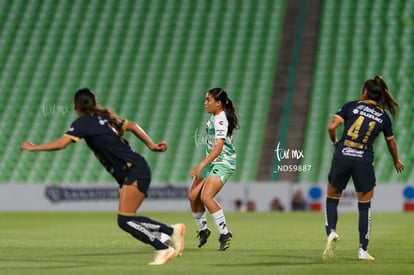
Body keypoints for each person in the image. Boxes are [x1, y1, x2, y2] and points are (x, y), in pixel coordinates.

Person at [20, 88, 185, 265]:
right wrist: (151, 145)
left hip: (134, 170)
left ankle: (162, 248)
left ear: (76, 106)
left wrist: (33, 147)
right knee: (128, 218)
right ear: (93, 103)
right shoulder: (105, 119)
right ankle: (171, 231)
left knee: (124, 220)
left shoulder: (82, 123)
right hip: (136, 168)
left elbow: (62, 144)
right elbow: (132, 125)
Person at [322, 76, 404, 261]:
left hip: (342, 155)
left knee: (332, 198)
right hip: (364, 160)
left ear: (364, 92)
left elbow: (331, 126)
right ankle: (362, 251)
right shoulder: (383, 116)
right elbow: (391, 144)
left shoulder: (351, 106)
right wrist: (396, 161)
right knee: (364, 206)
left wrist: (335, 142)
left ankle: (331, 232)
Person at [188, 88, 239, 251]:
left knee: (206, 196)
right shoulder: (215, 116)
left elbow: (218, 148)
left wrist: (201, 164)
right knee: (193, 196)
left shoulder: (221, 120)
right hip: (212, 161)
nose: (205, 103)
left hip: (223, 162)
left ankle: (225, 233)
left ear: (218, 104)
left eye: (208, 100)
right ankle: (204, 230)